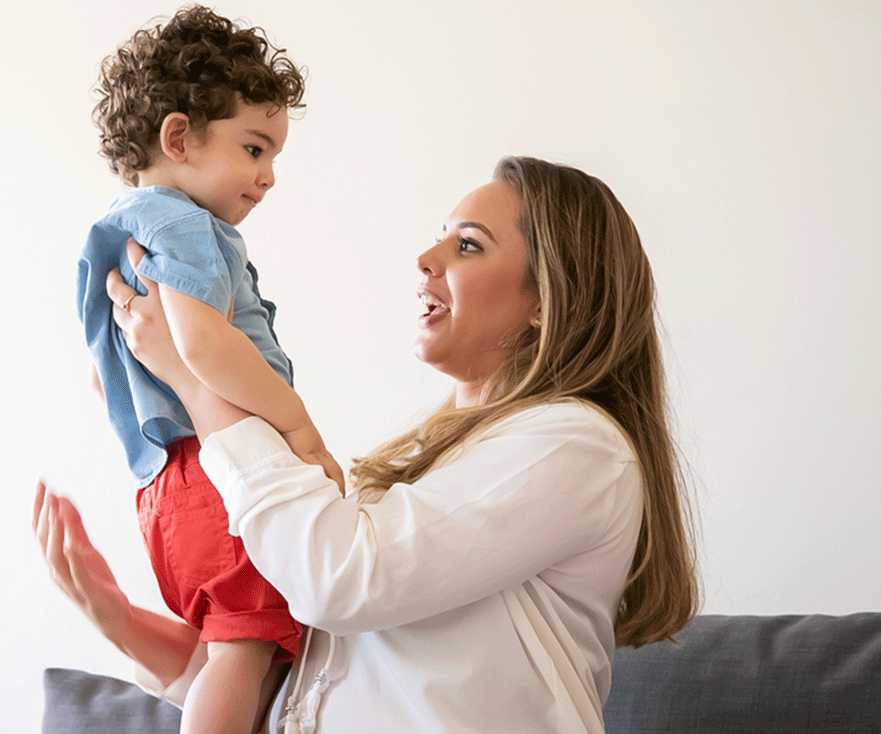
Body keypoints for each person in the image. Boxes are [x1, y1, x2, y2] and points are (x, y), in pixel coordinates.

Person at [39, 155, 699, 733]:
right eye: (440, 238)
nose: (427, 259)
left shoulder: (574, 448)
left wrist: (193, 379)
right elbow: (270, 697)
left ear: (548, 297)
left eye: (467, 246)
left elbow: (338, 580)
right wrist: (117, 618)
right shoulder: (416, 481)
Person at [75, 6, 340, 733]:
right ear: (179, 138)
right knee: (242, 652)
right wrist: (299, 427)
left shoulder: (120, 228)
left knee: (237, 650)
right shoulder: (187, 226)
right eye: (256, 149)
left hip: (163, 490)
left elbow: (106, 379)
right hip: (219, 481)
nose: (269, 176)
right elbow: (198, 345)